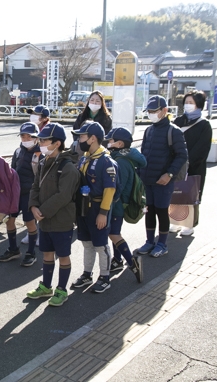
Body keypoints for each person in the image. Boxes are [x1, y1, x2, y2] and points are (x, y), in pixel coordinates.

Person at [27, 123, 80, 306]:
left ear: (57, 143)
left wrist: (42, 211)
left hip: (61, 220)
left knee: (63, 255)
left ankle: (61, 289)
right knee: (47, 254)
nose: (40, 143)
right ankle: (46, 286)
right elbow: (35, 186)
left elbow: (64, 195)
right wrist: (33, 206)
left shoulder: (68, 167)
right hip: (45, 220)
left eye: (44, 140)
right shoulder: (43, 162)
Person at [135, 95, 188, 258]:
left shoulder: (174, 131)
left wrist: (169, 174)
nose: (151, 114)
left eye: (154, 111)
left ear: (164, 111)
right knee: (149, 211)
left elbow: (182, 155)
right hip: (148, 179)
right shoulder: (149, 130)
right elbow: (144, 154)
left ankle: (162, 244)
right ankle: (149, 241)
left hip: (164, 181)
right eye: (149, 111)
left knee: (162, 212)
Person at [70, 122, 118, 293]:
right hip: (84, 207)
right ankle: (87, 274)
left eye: (82, 137)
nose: (78, 140)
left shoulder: (106, 161)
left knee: (100, 244)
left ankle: (105, 276)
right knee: (87, 243)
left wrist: (103, 213)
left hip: (98, 208)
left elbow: (110, 189)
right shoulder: (84, 158)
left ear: (92, 139)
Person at [0, 122, 43, 266]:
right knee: (9, 220)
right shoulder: (18, 151)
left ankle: (31, 253)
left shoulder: (40, 154)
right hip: (15, 194)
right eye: (23, 136)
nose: (26, 139)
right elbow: (12, 172)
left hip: (30, 195)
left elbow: (42, 178)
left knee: (30, 223)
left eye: (29, 136)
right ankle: (13, 249)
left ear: (36, 138)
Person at [105, 127, 146, 282]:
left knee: (113, 234)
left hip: (117, 204)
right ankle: (117, 260)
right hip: (120, 203)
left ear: (120, 143)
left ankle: (132, 262)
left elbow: (117, 187)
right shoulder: (123, 158)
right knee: (116, 232)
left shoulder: (120, 162)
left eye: (110, 140)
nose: (108, 142)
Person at [170, 90, 213, 236]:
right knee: (175, 194)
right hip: (176, 165)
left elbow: (202, 149)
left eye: (191, 103)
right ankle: (174, 221)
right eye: (186, 102)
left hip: (194, 167)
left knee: (191, 194)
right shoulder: (178, 121)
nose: (188, 105)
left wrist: (187, 162)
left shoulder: (204, 125)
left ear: (199, 105)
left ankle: (189, 224)